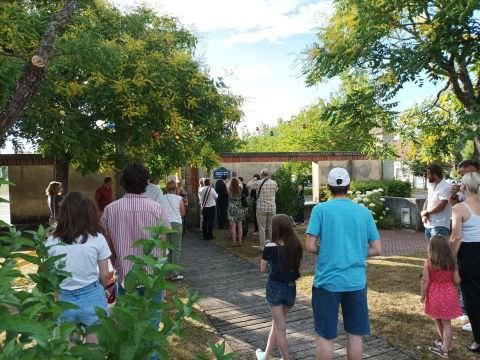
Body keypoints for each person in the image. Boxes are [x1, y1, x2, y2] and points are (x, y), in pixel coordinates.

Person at [305, 167, 382, 360]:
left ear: (328, 186)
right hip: (355, 282)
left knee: (325, 335)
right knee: (355, 334)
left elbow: (310, 246)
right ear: (349, 186)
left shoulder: (320, 209)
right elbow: (377, 248)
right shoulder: (363, 212)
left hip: (327, 282)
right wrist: (354, 252)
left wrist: (331, 250)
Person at [102, 163, 170, 341]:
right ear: (146, 183)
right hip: (152, 277)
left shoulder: (110, 210)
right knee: (151, 331)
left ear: (123, 182)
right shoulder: (157, 209)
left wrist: (117, 264)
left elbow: (109, 249)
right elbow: (163, 246)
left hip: (125, 276)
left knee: (127, 331)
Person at [46, 192, 111, 344]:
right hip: (92, 295)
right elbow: (105, 275)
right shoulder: (98, 239)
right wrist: (103, 289)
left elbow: (50, 275)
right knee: (94, 348)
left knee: (69, 349)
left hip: (64, 298)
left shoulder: (51, 240)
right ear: (89, 213)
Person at [255, 214, 303, 360]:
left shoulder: (270, 246)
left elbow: (262, 269)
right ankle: (265, 355)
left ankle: (286, 358)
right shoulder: (296, 245)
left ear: (276, 229)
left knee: (280, 327)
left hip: (275, 288)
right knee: (277, 324)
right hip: (291, 289)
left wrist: (272, 266)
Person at [450, 172, 480, 353]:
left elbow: (455, 238)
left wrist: (450, 260)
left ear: (465, 187)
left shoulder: (460, 208)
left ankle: (478, 340)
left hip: (469, 255)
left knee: (472, 297)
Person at [420, 235, 462, 358]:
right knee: (446, 322)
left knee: (437, 319)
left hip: (434, 295)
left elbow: (425, 281)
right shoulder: (452, 263)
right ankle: (446, 344)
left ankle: (444, 349)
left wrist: (422, 295)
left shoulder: (428, 262)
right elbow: (457, 281)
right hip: (449, 294)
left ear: (431, 248)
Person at [160, 180, 185, 281]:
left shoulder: (162, 198)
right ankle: (174, 273)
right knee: (176, 249)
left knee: (166, 249)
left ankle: (167, 273)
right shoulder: (179, 198)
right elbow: (182, 212)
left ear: (166, 188)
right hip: (176, 223)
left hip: (165, 224)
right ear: (175, 188)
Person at [421, 164, 452, 241]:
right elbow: (427, 201)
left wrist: (426, 212)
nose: (427, 176)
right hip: (428, 224)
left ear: (435, 175)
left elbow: (441, 206)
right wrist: (424, 215)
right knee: (432, 250)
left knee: (440, 251)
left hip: (440, 225)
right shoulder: (430, 185)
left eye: (428, 174)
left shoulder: (446, 187)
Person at [253, 169, 278, 251]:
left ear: (261, 175)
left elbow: (248, 185)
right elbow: (276, 190)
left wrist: (254, 179)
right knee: (271, 227)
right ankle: (273, 244)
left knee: (262, 228)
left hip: (261, 208)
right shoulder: (274, 182)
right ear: (268, 174)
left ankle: (262, 247)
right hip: (271, 207)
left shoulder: (257, 183)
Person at [227, 178, 246, 246]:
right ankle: (240, 241)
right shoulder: (240, 188)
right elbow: (241, 184)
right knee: (240, 226)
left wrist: (232, 179)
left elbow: (227, 184)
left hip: (231, 208)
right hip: (239, 208)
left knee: (233, 227)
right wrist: (238, 180)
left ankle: (234, 242)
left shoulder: (229, 189)